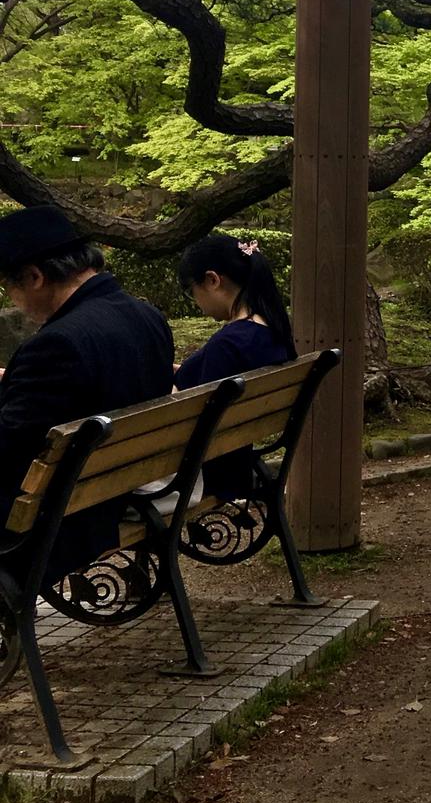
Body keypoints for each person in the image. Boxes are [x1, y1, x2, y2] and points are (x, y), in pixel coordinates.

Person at [0, 206, 172, 566]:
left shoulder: (58, 344)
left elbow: (10, 449)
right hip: (108, 493)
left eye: (9, 288)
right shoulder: (146, 317)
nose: (12, 301)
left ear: (34, 277)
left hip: (54, 526)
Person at [173, 234, 296, 388]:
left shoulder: (227, 345)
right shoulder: (274, 329)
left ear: (212, 280)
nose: (196, 302)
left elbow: (198, 408)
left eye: (192, 292)